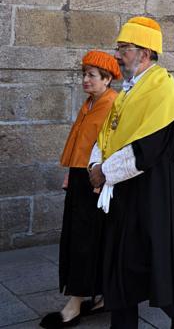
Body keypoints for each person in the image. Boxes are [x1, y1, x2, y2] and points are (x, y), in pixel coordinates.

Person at [87, 17, 174, 329]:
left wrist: (104, 172)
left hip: (149, 192)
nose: (119, 55)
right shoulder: (128, 90)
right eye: (120, 48)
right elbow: (109, 133)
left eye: (124, 48)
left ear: (145, 52)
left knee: (146, 260)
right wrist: (95, 164)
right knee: (120, 263)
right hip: (122, 191)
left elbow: (147, 150)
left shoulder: (165, 92)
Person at [40, 52, 121, 329]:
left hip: (97, 181)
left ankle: (75, 304)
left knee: (86, 241)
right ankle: (101, 296)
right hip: (79, 177)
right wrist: (70, 173)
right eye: (84, 74)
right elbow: (80, 143)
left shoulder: (113, 104)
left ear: (107, 79)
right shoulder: (90, 103)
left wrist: (102, 179)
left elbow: (112, 146)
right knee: (81, 238)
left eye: (91, 75)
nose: (85, 80)